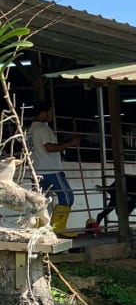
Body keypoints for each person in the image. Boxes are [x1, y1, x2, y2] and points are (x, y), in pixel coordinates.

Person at [28, 101, 80, 236]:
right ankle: (58, 228)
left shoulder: (31, 130)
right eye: (49, 112)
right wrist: (70, 143)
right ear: (42, 114)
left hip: (36, 171)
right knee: (67, 197)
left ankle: (40, 229)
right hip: (51, 169)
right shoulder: (42, 129)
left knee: (39, 200)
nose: (51, 115)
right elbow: (49, 147)